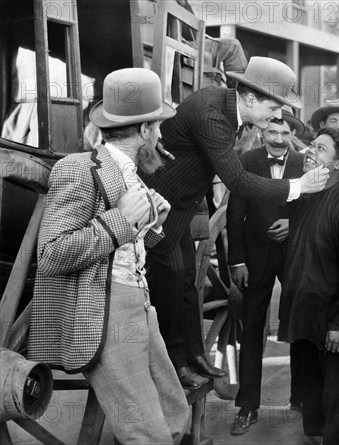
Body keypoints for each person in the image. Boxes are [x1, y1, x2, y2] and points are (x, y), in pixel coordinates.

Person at [141, 57, 330, 389]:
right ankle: (174, 364)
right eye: (274, 107)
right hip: (158, 208)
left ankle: (193, 355)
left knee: (186, 279)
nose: (277, 116)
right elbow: (239, 181)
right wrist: (299, 187)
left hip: (179, 207)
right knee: (170, 279)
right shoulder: (212, 115)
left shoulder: (226, 110)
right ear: (251, 99)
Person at [28, 68, 189, 443]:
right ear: (146, 130)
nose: (162, 135)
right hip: (104, 311)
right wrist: (122, 219)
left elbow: (119, 250)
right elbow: (52, 254)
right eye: (159, 127)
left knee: (173, 414)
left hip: (140, 306)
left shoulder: (130, 173)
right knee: (147, 434)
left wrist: (151, 225)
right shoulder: (79, 168)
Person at [279, 127, 339, 445]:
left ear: (337, 165)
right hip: (307, 317)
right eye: (312, 145)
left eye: (320, 149)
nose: (309, 151)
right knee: (314, 393)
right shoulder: (306, 200)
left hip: (336, 323)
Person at [227, 108, 306, 435]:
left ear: (292, 136)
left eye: (285, 134)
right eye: (272, 132)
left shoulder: (305, 164)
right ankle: (247, 406)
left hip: (295, 255)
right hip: (255, 258)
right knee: (252, 330)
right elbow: (234, 214)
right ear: (262, 132)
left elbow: (315, 208)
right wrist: (237, 261)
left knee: (302, 324)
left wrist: (293, 224)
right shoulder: (247, 162)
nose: (277, 139)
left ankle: (302, 397)